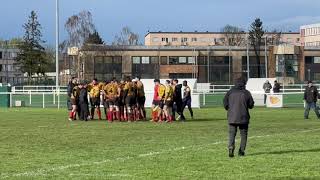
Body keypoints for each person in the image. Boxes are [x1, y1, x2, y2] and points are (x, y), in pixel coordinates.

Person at [223, 78, 254, 157]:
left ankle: (231, 147)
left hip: (232, 117)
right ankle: (241, 151)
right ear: (244, 84)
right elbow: (251, 105)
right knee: (243, 135)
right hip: (244, 117)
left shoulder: (230, 92)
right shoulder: (246, 93)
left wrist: (230, 110)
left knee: (232, 134)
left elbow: (225, 104)